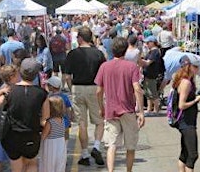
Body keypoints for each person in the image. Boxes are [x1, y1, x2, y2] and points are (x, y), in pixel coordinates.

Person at [95, 36, 145, 172]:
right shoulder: (132, 67)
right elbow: (137, 89)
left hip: (111, 110)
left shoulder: (104, 66)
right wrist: (140, 111)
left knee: (112, 145)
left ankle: (110, 171)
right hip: (128, 110)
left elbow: (99, 91)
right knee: (130, 146)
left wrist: (101, 107)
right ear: (126, 50)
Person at [0, 58, 50, 172]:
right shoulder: (42, 94)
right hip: (32, 135)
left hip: (12, 136)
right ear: (35, 75)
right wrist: (42, 137)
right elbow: (45, 119)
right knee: (32, 163)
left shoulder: (10, 91)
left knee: (16, 165)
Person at [63, 26, 106, 166]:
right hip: (94, 88)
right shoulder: (99, 54)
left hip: (78, 87)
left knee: (82, 123)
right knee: (99, 120)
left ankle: (85, 154)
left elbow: (67, 76)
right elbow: (103, 75)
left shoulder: (73, 54)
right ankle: (97, 146)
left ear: (80, 38)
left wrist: (71, 89)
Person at [173, 56, 200, 172]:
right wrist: (196, 100)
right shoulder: (186, 83)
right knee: (193, 155)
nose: (197, 69)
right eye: (195, 67)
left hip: (187, 121)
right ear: (189, 67)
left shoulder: (184, 79)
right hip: (186, 122)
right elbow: (181, 105)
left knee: (185, 153)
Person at [39, 95, 66, 172]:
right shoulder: (62, 120)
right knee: (59, 165)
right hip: (60, 145)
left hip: (51, 146)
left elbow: (44, 136)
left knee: (48, 165)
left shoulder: (50, 122)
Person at [141, 36, 165, 116]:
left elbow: (148, 62)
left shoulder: (155, 52)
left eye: (148, 43)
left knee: (153, 93)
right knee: (148, 93)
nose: (146, 44)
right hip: (147, 74)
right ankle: (149, 109)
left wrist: (138, 60)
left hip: (152, 75)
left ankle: (156, 110)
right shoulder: (151, 51)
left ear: (152, 42)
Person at [46, 76, 73, 140]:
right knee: (65, 137)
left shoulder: (49, 98)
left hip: (53, 122)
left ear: (52, 87)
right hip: (65, 121)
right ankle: (65, 148)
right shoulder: (64, 96)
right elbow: (68, 110)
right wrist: (69, 120)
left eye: (48, 85)